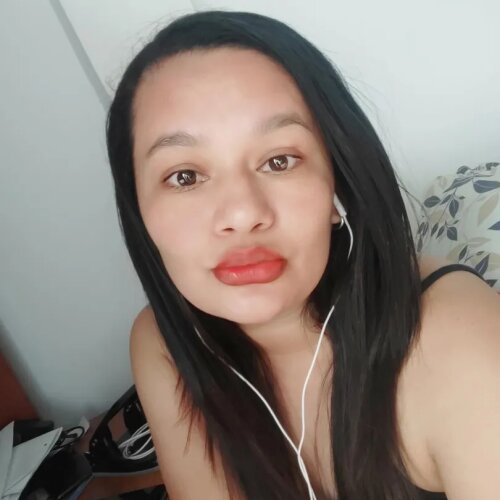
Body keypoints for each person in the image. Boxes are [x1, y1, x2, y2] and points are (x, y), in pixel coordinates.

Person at [105, 10, 500, 500]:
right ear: (140, 209)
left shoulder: (454, 341)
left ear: (338, 186)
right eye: (184, 176)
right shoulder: (164, 341)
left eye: (279, 160)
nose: (242, 213)